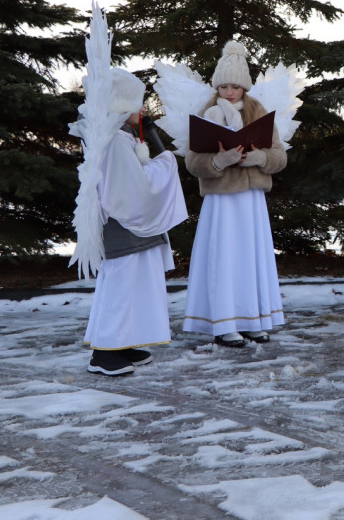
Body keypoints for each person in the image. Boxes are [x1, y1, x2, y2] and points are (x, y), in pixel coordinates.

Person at [82, 69, 189, 375]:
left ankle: (122, 343)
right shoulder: (114, 140)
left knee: (131, 286)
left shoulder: (118, 137)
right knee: (121, 286)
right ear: (119, 105)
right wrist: (165, 165)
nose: (141, 110)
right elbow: (132, 189)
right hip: (125, 227)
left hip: (131, 229)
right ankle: (103, 353)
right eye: (136, 104)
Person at [183, 41, 287, 347]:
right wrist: (218, 161)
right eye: (224, 86)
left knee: (249, 257)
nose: (229, 93)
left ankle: (252, 320)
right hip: (222, 200)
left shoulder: (258, 110)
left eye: (235, 87)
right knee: (224, 257)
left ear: (245, 87)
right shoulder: (208, 112)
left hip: (251, 199)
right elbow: (192, 162)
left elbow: (280, 156)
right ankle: (223, 323)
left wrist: (262, 158)